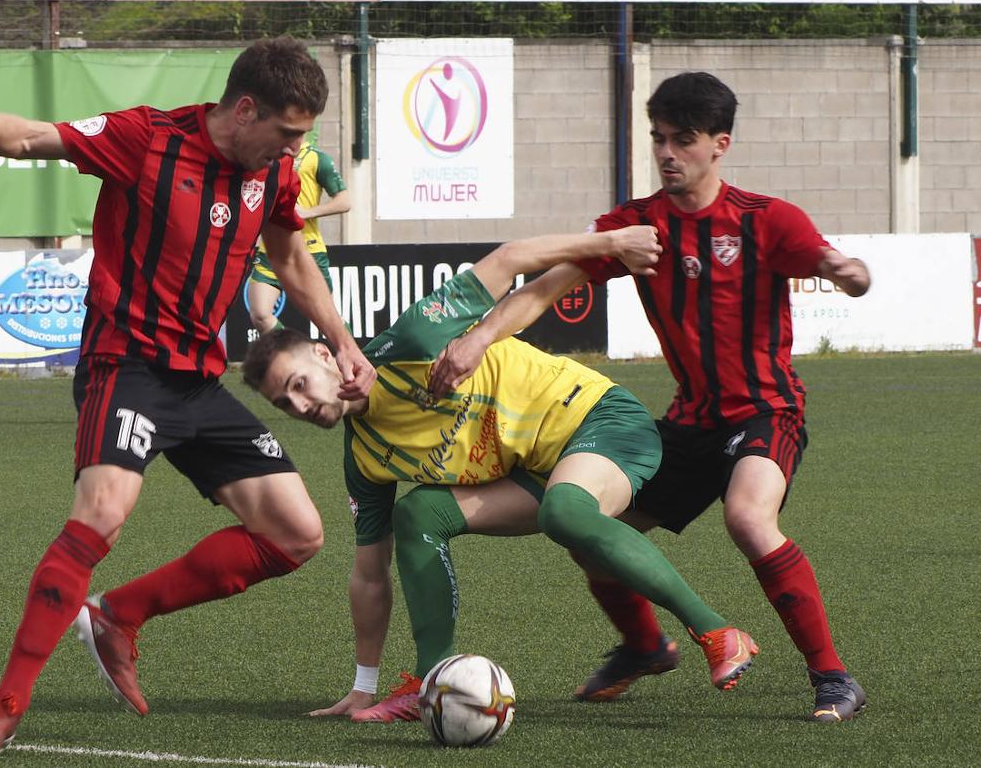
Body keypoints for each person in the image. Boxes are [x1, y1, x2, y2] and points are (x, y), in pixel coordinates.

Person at [0, 36, 376, 754]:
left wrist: (340, 340)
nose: (292, 150)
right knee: (102, 516)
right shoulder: (146, 139)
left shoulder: (272, 174)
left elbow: (289, 259)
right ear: (244, 109)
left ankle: (119, 615)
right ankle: (4, 706)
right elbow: (36, 138)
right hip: (124, 364)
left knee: (296, 535)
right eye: (286, 133)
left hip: (199, 378)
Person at [429, 72, 870, 723]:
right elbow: (545, 288)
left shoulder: (765, 219)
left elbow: (835, 264)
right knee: (583, 528)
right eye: (658, 138)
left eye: (682, 141)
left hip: (765, 411)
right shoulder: (636, 228)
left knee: (748, 519)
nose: (667, 153)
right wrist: (478, 339)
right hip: (688, 422)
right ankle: (644, 645)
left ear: (719, 144)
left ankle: (833, 677)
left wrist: (847, 271)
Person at [242, 226, 760, 724]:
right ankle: (429, 682)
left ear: (323, 353)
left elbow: (510, 259)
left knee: (565, 510)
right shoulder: (365, 459)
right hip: (536, 469)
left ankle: (716, 630)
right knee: (417, 513)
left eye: (299, 384)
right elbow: (370, 576)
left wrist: (609, 243)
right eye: (284, 402)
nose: (300, 404)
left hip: (600, 421)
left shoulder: (414, 339)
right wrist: (362, 684)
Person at [247, 138, 351, 335]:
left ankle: (355, 363)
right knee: (260, 314)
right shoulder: (266, 156)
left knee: (329, 322)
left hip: (308, 250)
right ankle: (291, 359)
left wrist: (307, 212)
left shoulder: (317, 158)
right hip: (271, 249)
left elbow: (345, 201)